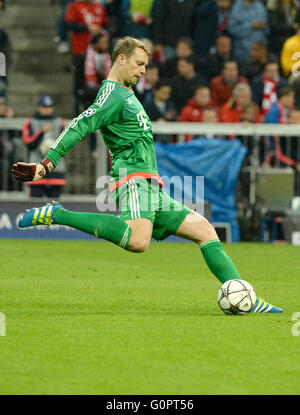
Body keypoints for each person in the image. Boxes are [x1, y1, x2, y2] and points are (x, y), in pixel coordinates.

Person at [12, 36, 282, 313]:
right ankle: (58, 214)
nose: (143, 71)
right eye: (139, 64)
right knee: (138, 241)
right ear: (121, 59)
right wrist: (46, 165)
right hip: (131, 179)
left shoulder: (127, 95)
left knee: (205, 231)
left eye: (145, 65)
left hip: (152, 185)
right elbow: (79, 125)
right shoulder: (111, 95)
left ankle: (244, 297)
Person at [21, 95, 67, 199]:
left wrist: (53, 150)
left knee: (54, 207)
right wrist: (41, 133)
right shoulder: (30, 122)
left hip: (56, 170)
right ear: (39, 107)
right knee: (35, 207)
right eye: (44, 107)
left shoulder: (60, 123)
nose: (47, 110)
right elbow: (28, 142)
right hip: (36, 169)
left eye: (49, 107)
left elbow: (67, 143)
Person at [83, 32, 112, 107]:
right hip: (90, 84)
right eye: (103, 43)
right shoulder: (86, 56)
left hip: (104, 83)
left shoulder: (109, 56)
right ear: (95, 44)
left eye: (107, 42)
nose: (107, 45)